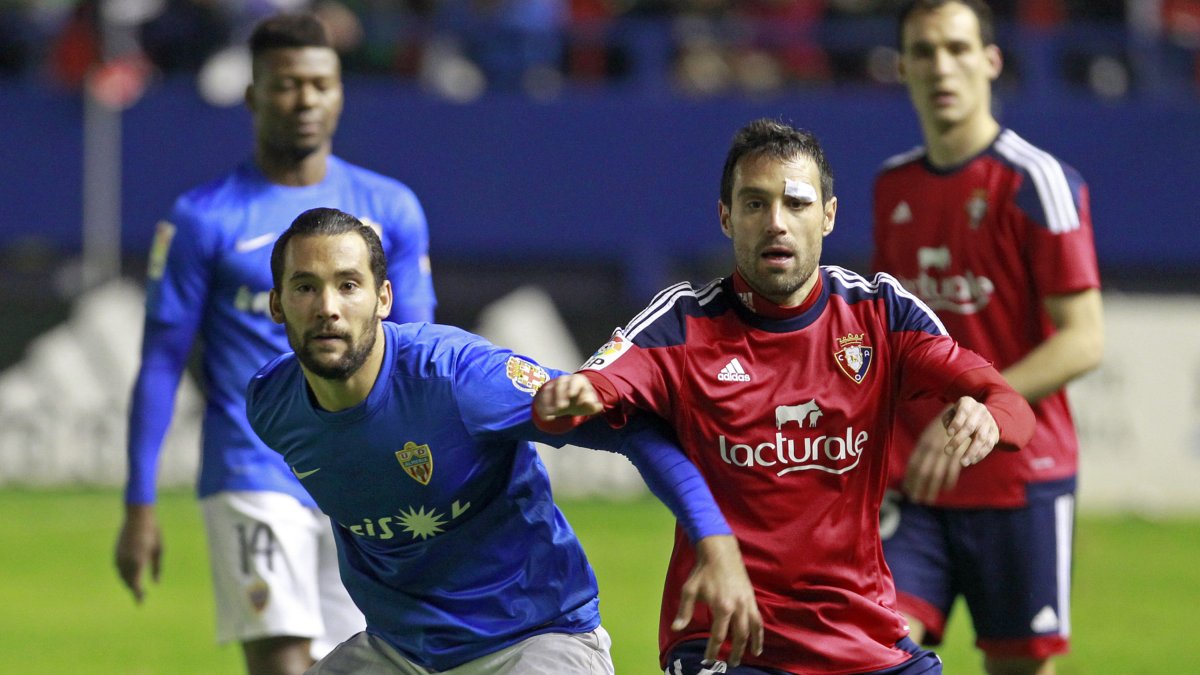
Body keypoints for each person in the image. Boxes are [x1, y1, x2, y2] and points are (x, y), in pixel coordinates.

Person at [532, 118, 1037, 675]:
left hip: (861, 640)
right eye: (754, 204)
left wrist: (989, 416)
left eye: (796, 204)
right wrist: (579, 393)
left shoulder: (880, 314)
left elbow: (1010, 404)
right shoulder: (683, 324)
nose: (776, 223)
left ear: (828, 215)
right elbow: (596, 387)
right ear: (726, 217)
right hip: (728, 639)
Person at [245, 206, 761, 673]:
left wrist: (714, 541)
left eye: (348, 285)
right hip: (398, 653)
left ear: (383, 299)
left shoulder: (459, 379)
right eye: (305, 287)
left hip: (534, 641)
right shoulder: (273, 407)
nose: (327, 307)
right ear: (276, 304)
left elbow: (633, 431)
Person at [113, 13, 437, 675]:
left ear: (340, 91)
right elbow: (161, 361)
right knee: (282, 661)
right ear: (254, 94)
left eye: (321, 84)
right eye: (288, 85)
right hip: (252, 466)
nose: (307, 100)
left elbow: (421, 352)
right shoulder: (203, 217)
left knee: (365, 660)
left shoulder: (391, 206)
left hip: (363, 471)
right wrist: (139, 502)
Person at [869, 2, 1104, 674]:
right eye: (924, 51)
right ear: (904, 68)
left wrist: (978, 405)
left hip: (1017, 479)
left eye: (957, 48)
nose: (942, 66)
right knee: (871, 651)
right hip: (916, 481)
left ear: (990, 61)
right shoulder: (893, 187)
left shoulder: (1039, 183)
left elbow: (1084, 339)